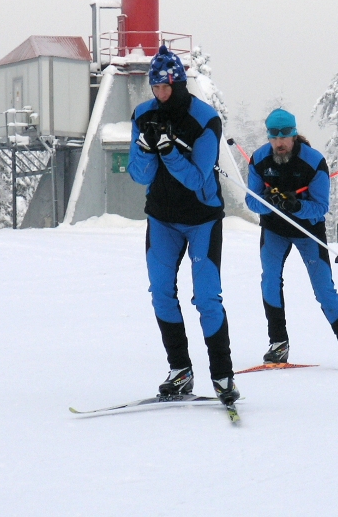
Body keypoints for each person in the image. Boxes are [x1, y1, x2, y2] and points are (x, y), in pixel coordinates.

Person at [127, 45, 239, 406]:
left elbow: (195, 178)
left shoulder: (205, 119)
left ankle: (222, 374)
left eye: (166, 87)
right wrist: (146, 150)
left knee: (206, 297)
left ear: (179, 84)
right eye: (154, 87)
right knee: (160, 291)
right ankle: (180, 370)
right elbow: (138, 174)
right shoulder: (142, 115)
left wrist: (170, 150)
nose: (160, 94)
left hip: (201, 218)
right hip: (161, 217)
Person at [246, 108, 338, 369]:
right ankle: (278, 344)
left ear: (293, 135)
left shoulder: (313, 162)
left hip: (308, 232)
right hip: (274, 231)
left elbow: (321, 207)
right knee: (269, 281)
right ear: (269, 136)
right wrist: (267, 202)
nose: (280, 142)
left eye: (285, 136)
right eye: (274, 136)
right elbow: (251, 201)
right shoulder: (259, 160)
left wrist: (296, 207)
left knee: (324, 290)